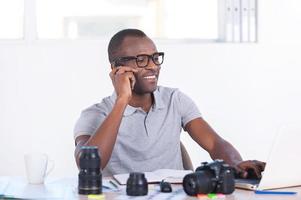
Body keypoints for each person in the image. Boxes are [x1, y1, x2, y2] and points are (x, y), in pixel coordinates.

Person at [74, 29, 265, 177]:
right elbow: (88, 165)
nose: (153, 66)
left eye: (155, 58)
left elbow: (214, 143)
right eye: (141, 59)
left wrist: (236, 164)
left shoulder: (175, 100)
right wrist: (122, 100)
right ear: (117, 68)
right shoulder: (94, 115)